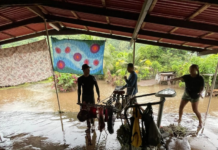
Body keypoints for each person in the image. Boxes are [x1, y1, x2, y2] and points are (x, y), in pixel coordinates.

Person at [77, 64, 100, 130]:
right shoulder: (80, 79)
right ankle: (88, 126)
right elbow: (79, 90)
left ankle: (93, 124)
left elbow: (96, 87)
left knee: (92, 112)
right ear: (84, 70)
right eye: (87, 69)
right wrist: (78, 100)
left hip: (91, 97)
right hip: (84, 98)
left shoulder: (92, 78)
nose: (89, 70)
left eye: (89, 69)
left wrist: (98, 96)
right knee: (85, 112)